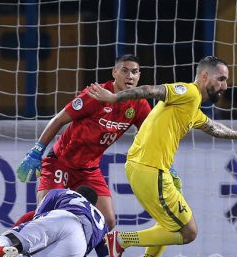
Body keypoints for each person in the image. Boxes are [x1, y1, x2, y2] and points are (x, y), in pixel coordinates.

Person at [87, 55, 237, 257]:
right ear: (204, 76)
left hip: (146, 167)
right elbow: (151, 90)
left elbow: (213, 127)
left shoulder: (192, 106)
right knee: (188, 232)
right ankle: (120, 241)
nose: (224, 85)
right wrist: (115, 97)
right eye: (221, 79)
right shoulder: (188, 92)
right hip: (149, 168)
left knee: (167, 224)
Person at [14, 54, 152, 230]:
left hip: (89, 170)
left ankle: (80, 253)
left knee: (107, 221)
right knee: (46, 215)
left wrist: (165, 164)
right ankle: (6, 244)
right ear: (114, 72)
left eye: (134, 72)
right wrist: (36, 151)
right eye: (124, 71)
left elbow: (150, 136)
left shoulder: (139, 105)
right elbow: (59, 119)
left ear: (139, 76)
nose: (130, 76)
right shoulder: (95, 94)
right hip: (61, 162)